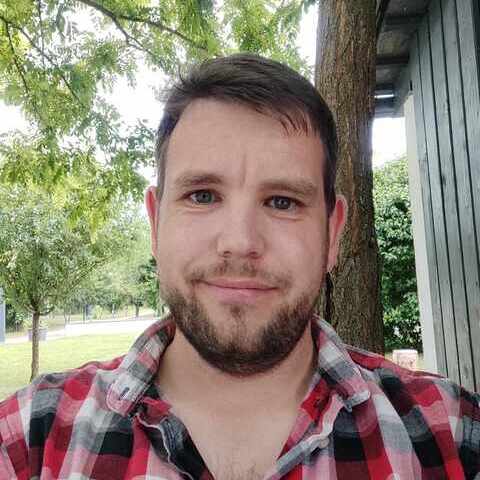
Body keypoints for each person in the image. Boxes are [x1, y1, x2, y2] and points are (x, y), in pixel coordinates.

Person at [0, 54, 479, 480]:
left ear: (332, 234)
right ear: (155, 222)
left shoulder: (452, 435)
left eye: (283, 201)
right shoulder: (29, 441)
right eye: (202, 196)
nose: (240, 242)